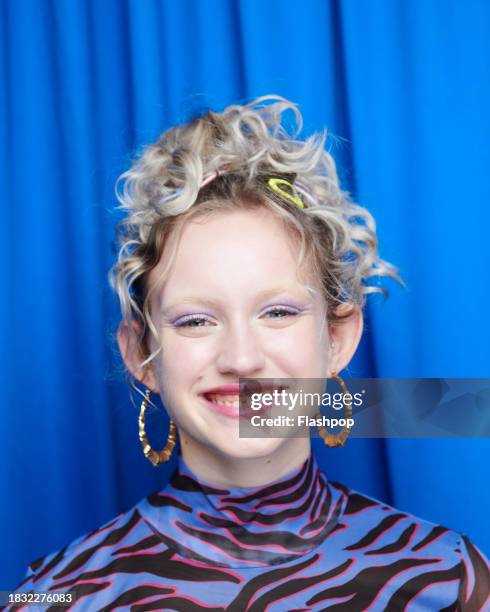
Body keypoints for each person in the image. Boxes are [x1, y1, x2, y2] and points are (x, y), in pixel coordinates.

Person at [9, 96, 489, 611]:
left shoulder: (451, 580)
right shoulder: (52, 597)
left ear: (339, 337)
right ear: (141, 353)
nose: (241, 357)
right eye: (195, 320)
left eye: (278, 312)